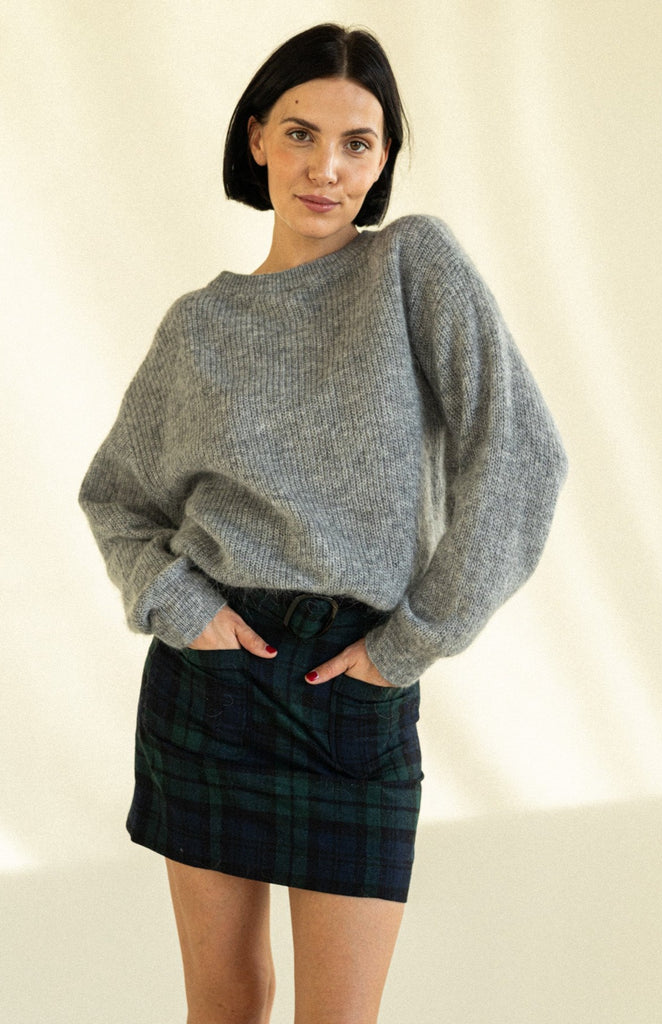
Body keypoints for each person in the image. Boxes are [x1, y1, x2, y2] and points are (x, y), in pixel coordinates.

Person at [79, 22, 568, 1024]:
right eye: (301, 134)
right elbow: (117, 494)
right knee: (225, 1001)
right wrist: (181, 605)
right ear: (257, 137)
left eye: (357, 143)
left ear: (383, 161)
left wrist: (409, 645)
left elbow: (523, 461)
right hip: (209, 688)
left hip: (355, 684)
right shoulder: (200, 325)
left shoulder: (412, 266)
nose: (326, 168)